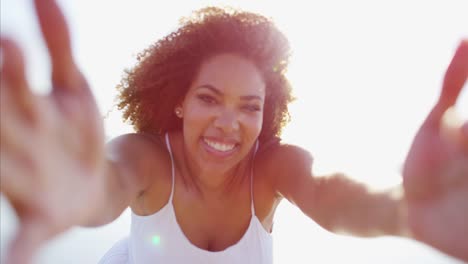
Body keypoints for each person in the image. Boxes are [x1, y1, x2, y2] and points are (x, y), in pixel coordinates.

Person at [1, 0, 467, 263]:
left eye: (249, 107)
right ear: (178, 102)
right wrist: (85, 194)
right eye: (208, 98)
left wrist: (402, 212)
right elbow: (109, 183)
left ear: (267, 115)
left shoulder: (268, 170)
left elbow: (330, 193)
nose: (229, 123)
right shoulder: (149, 160)